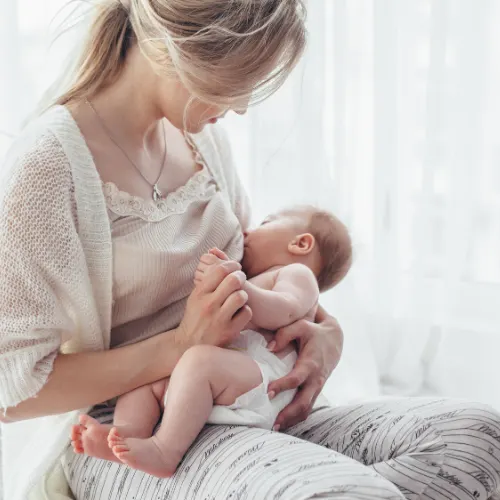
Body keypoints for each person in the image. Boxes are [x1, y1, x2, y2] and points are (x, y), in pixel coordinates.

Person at [0, 0, 499, 499]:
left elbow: (258, 273)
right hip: (136, 428)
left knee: (479, 439)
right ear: (184, 53)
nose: (240, 107)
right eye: (241, 81)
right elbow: (11, 388)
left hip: (243, 394)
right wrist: (177, 348)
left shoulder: (204, 145)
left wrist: (325, 332)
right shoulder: (47, 170)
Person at [69, 207, 353, 478]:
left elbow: (284, 309)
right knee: (147, 380)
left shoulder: (297, 275)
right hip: (228, 379)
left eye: (265, 222)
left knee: (199, 362)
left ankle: (164, 451)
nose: (246, 232)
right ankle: (126, 434)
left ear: (301, 243)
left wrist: (238, 286)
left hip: (265, 380)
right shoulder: (262, 278)